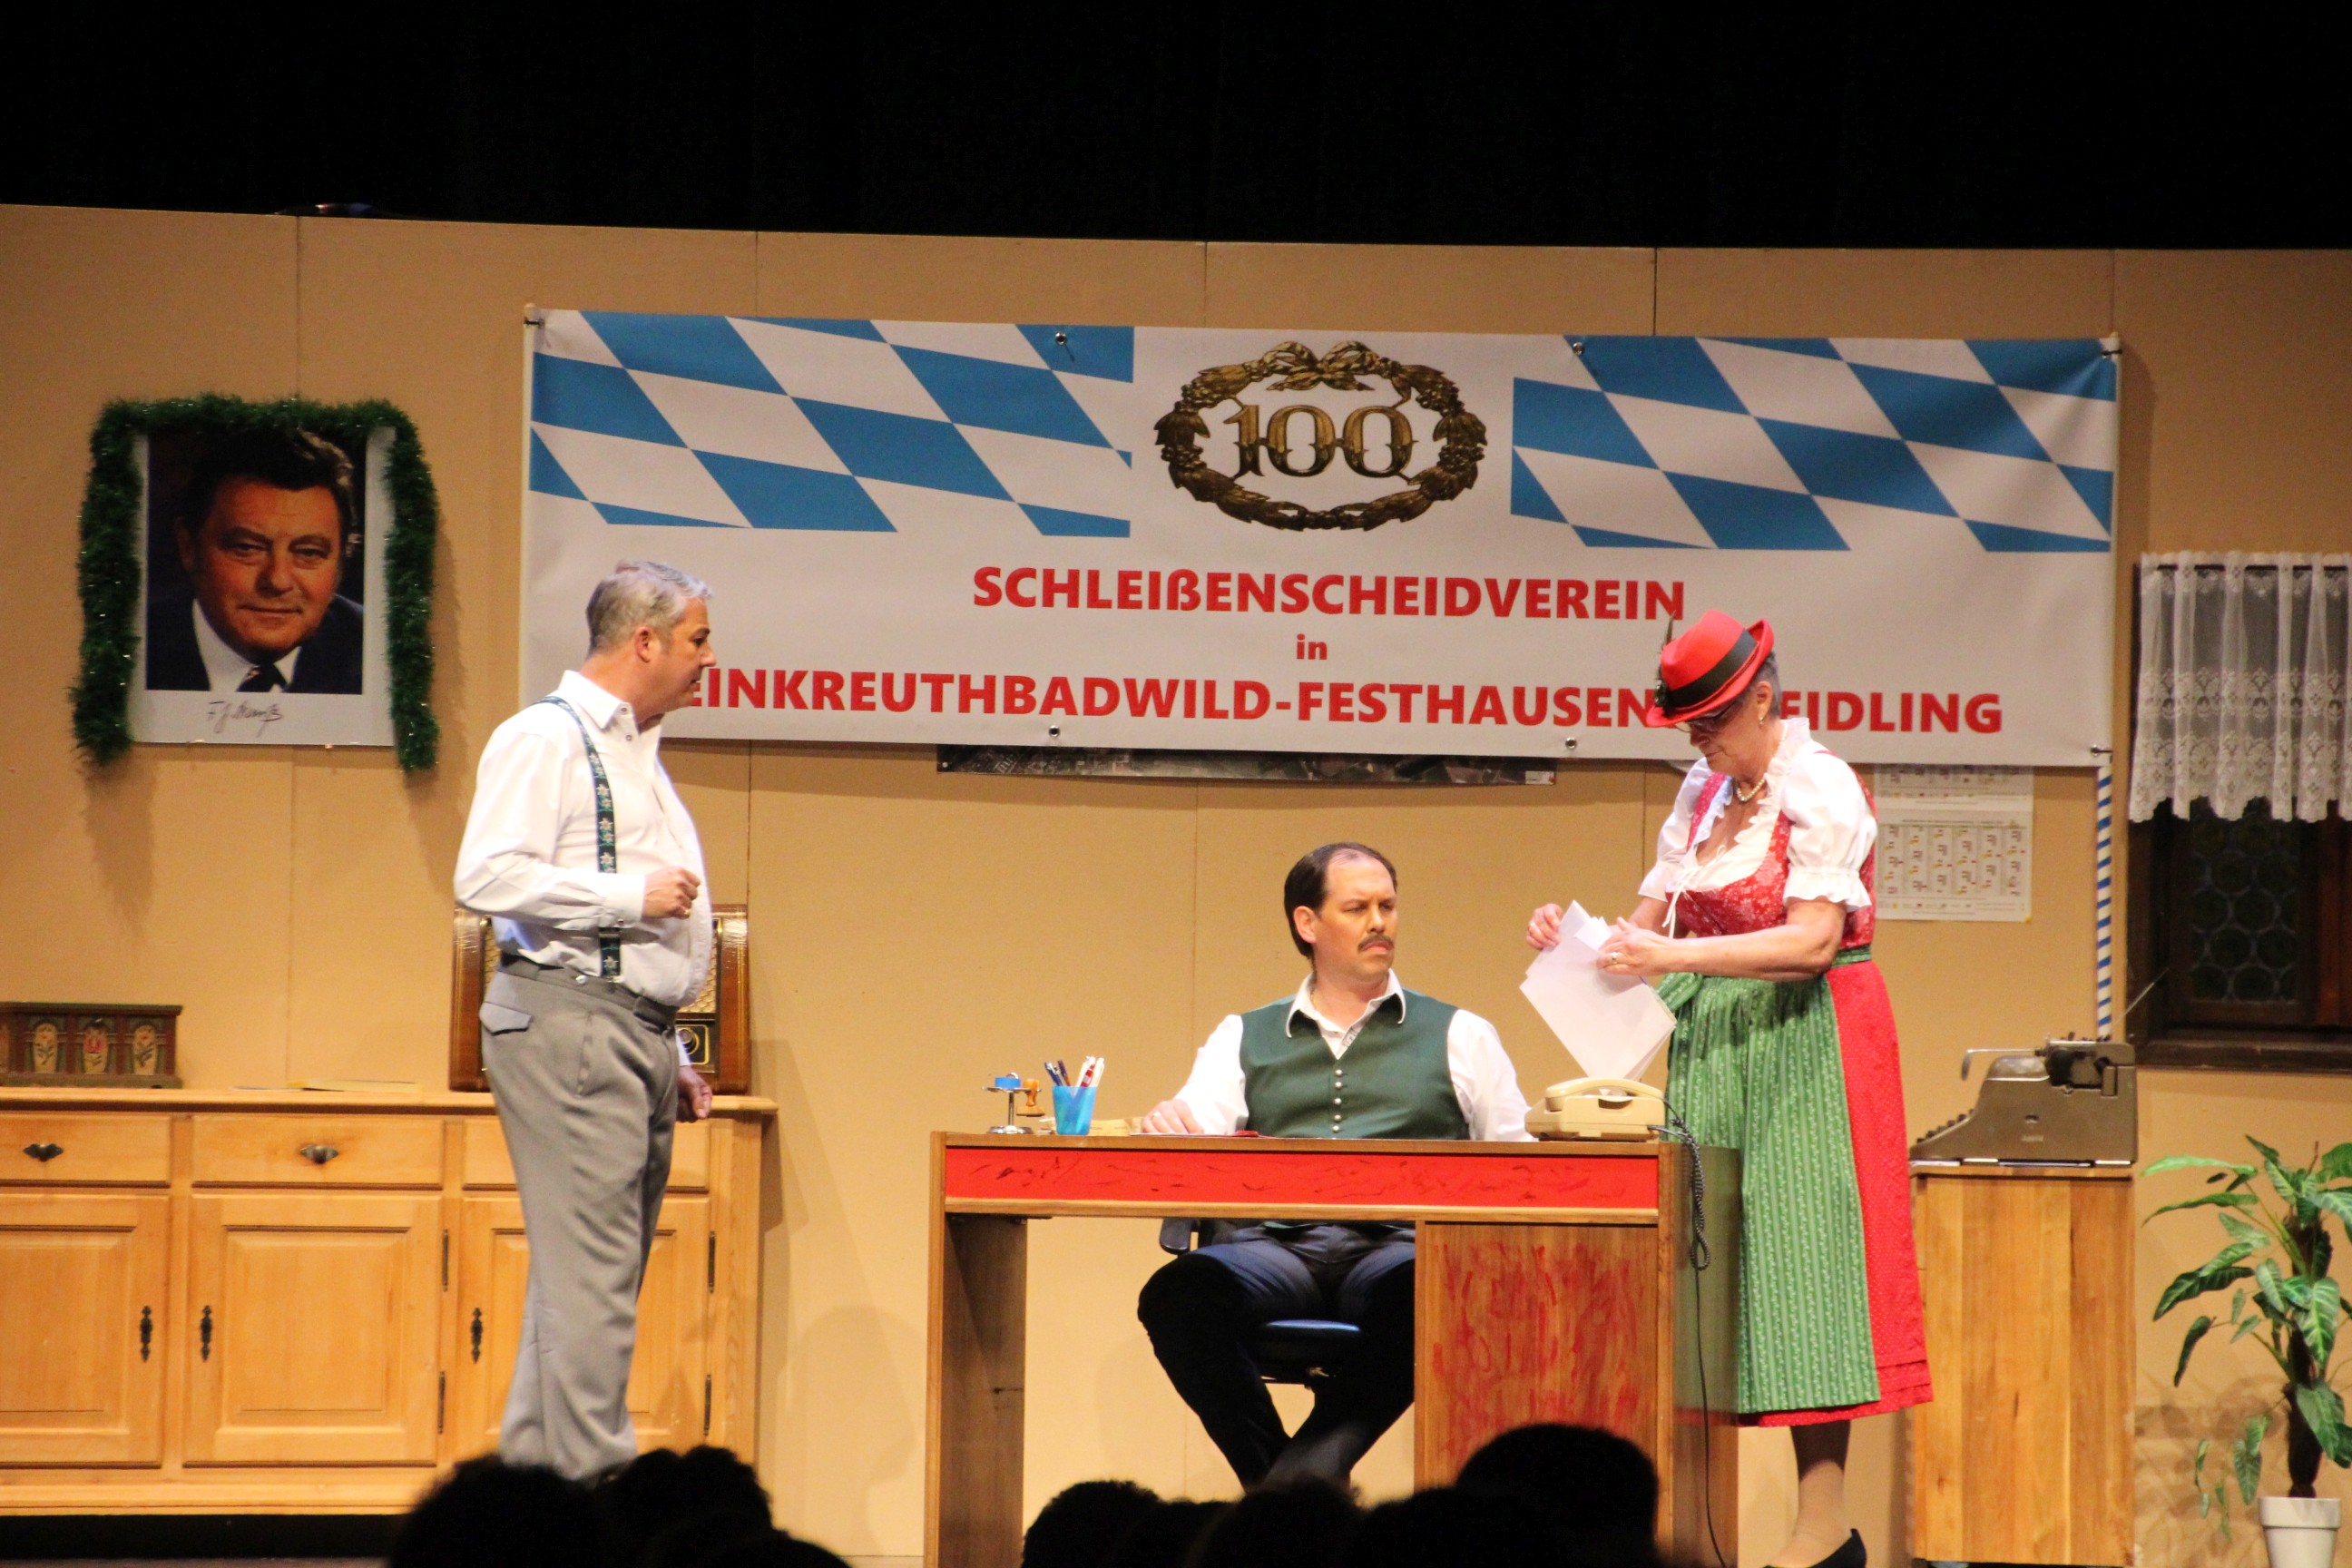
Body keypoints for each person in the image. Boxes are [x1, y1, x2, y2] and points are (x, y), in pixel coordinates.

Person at [1526, 611, 1929, 1568]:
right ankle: (1697, 1527)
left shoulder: (1820, 785)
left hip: (1807, 1041)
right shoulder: (1704, 793)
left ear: (1763, 698)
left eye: (1711, 720)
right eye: (1689, 724)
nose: (1699, 739)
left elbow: (1813, 942)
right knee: (1705, 1270)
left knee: (1804, 1260)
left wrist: (1666, 955)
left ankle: (1823, 1524)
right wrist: (1581, 941)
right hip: (1714, 1042)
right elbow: (1647, 931)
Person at [1138, 843, 1532, 1488]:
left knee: (1433, 1296)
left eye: (1388, 906)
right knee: (1179, 1297)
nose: (1380, 923)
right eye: (1357, 908)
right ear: (1308, 923)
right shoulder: (1243, 1034)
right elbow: (1195, 1124)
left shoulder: (1463, 1034)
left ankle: (1295, 1486)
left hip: (1397, 1251)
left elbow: (1517, 1163)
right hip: (1272, 1252)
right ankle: (1289, 1485)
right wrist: (1169, 1120)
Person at [454, 559, 720, 1480]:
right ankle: (597, 1494)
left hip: (623, 1031)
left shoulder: (636, 752)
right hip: (568, 1027)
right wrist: (626, 896)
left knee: (585, 1281)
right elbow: (486, 875)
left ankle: (537, 1502)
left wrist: (667, 1044)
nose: (708, 658)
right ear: (644, 640)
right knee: (594, 1284)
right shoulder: (546, 736)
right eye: (696, 639)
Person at [145, 427, 366, 693]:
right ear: (189, 548)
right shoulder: (137, 646)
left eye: (308, 553)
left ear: (340, 564)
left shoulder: (377, 654)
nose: (277, 581)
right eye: (247, 548)